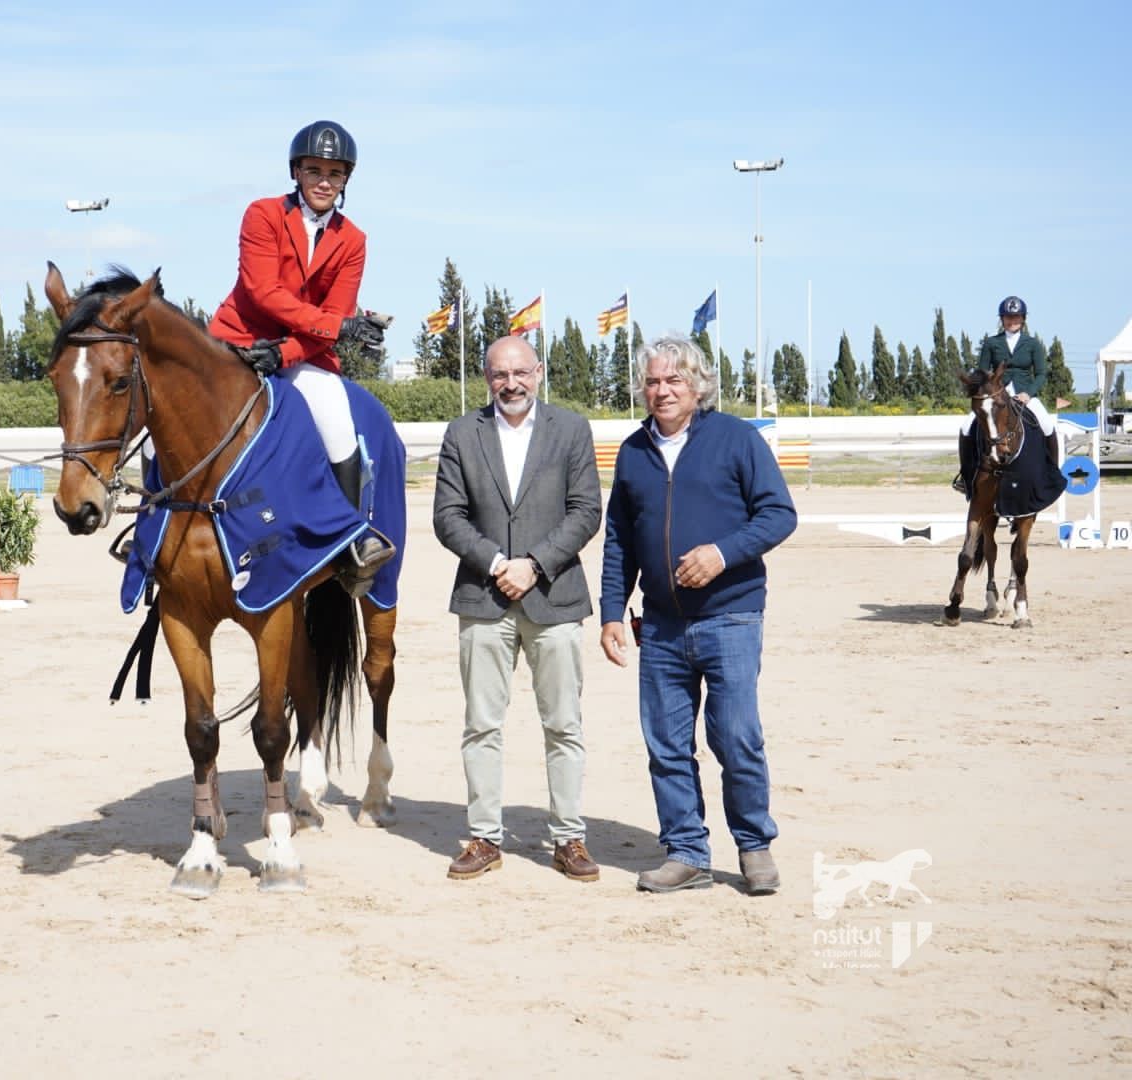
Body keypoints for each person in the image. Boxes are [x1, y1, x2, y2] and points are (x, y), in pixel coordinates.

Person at [598, 336, 796, 895]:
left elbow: (779, 515)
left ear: (698, 386)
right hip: (659, 626)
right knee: (665, 744)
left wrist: (722, 553)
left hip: (730, 617)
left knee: (736, 738)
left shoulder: (736, 440)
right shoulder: (634, 451)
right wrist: (613, 611)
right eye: (654, 381)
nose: (662, 391)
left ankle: (754, 846)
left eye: (673, 381)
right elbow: (619, 541)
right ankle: (686, 852)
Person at [432, 335, 604, 882]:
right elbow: (448, 515)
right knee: (481, 725)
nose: (511, 384)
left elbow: (585, 511)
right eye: (500, 375)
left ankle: (568, 838)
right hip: (484, 599)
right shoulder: (462, 433)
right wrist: (496, 562)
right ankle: (484, 836)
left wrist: (534, 563)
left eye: (520, 373)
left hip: (555, 596)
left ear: (538, 372)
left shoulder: (572, 429)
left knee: (564, 724)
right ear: (487, 377)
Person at [207, 120, 394, 595]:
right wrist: (338, 327)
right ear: (297, 172)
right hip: (238, 341)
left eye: (334, 172)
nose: (324, 180)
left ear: (346, 178)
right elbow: (263, 292)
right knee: (163, 412)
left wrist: (288, 353)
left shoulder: (353, 240)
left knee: (335, 418)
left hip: (302, 354)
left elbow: (334, 313)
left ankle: (349, 541)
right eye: (314, 170)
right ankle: (148, 535)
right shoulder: (263, 214)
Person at [954, 295, 1057, 494]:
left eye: (1016, 317)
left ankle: (1052, 472)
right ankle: (965, 475)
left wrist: (1029, 393)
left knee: (1047, 425)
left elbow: (1042, 373)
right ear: (1002, 319)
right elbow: (982, 372)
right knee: (966, 427)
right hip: (996, 395)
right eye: (1008, 317)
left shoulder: (1032, 344)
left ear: (1023, 319)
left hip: (1024, 393)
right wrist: (984, 390)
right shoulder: (992, 343)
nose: (1012, 321)